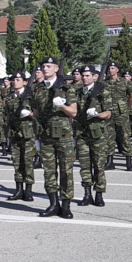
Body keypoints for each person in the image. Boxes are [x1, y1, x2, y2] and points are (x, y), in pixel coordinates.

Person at [30, 56, 78, 219]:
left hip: (63, 135)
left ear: (56, 69)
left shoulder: (66, 87)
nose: (45, 69)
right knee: (49, 171)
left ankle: (65, 205)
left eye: (49, 66)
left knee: (66, 170)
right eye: (43, 66)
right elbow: (36, 113)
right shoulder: (38, 89)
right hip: (46, 135)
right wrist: (35, 135)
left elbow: (73, 112)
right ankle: (53, 204)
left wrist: (62, 106)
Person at [76, 65, 110, 206]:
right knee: (84, 165)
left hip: (97, 134)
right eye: (83, 75)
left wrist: (97, 114)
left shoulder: (103, 92)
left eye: (87, 75)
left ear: (95, 77)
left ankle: (99, 194)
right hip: (82, 133)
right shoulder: (77, 92)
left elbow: (108, 113)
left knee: (98, 165)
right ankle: (87, 194)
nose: (84, 78)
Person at [6, 71, 35, 201]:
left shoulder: (31, 95)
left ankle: (28, 190)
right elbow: (7, 114)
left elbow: (39, 112)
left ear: (24, 81)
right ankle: (18, 189)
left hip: (28, 133)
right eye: (13, 80)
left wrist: (29, 114)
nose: (15, 82)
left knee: (28, 162)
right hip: (14, 132)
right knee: (17, 162)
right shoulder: (10, 96)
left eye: (18, 80)